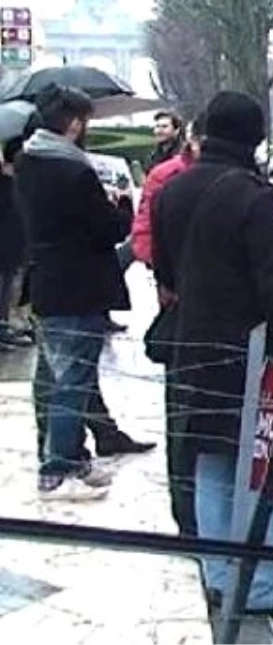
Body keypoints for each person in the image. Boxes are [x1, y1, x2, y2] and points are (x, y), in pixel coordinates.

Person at [153, 91, 273, 627]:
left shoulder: (171, 191)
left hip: (193, 348)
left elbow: (168, 272)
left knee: (211, 467)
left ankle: (219, 580)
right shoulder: (255, 196)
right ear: (256, 136)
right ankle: (263, 587)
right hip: (254, 350)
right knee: (265, 474)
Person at [15, 86, 132, 499]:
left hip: (46, 281)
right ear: (74, 122)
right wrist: (121, 208)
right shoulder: (74, 170)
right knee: (72, 379)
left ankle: (70, 457)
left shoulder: (27, 161)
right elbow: (107, 230)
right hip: (77, 285)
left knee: (51, 375)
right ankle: (58, 468)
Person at [132, 112, 206, 267]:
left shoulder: (179, 160)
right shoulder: (154, 155)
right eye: (157, 126)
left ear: (177, 130)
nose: (159, 130)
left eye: (164, 126)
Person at [0, 135, 33, 348]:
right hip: (7, 241)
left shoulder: (18, 180)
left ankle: (5, 323)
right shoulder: (8, 181)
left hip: (15, 241)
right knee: (6, 283)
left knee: (10, 284)